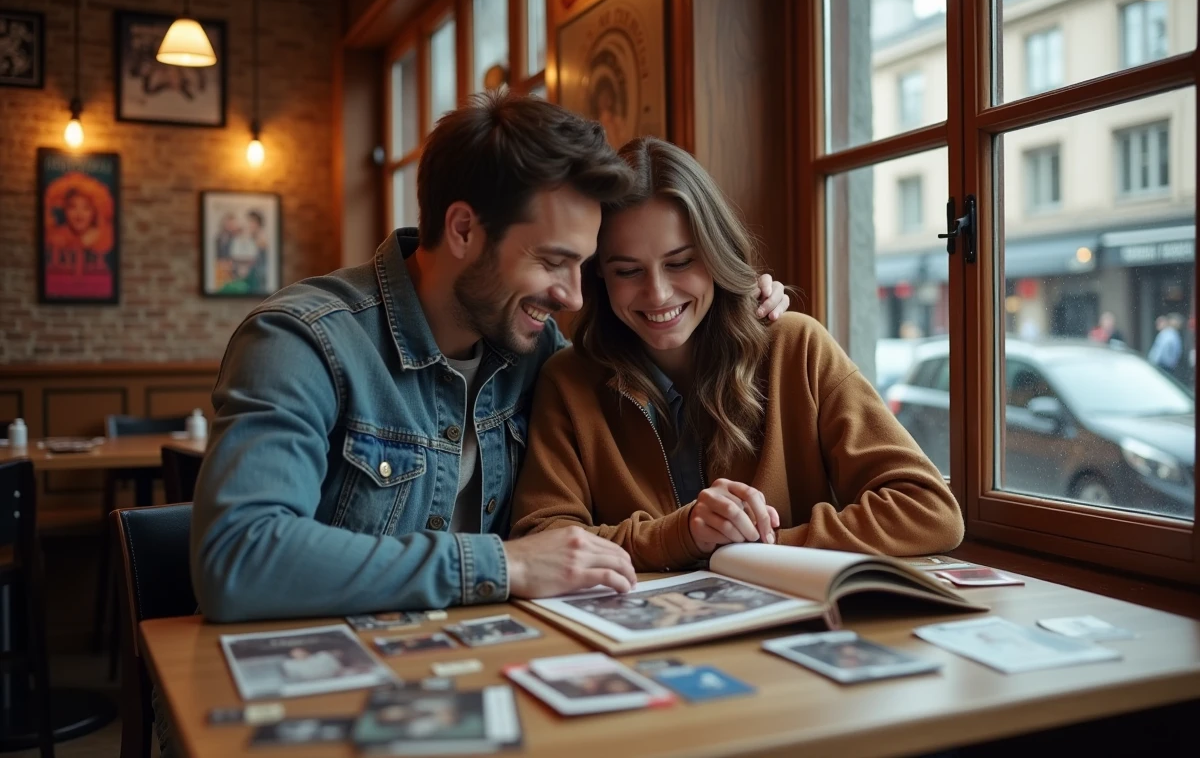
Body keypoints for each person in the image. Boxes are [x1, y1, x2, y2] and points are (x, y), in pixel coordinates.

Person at [189, 94, 790, 624]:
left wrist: (736, 308)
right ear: (462, 229)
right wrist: (504, 564)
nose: (573, 298)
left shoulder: (537, 351)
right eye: (552, 261)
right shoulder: (302, 342)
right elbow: (238, 558)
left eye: (583, 267)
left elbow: (641, 354)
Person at [509, 137, 964, 571]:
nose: (658, 293)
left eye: (680, 262)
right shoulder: (567, 381)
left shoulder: (797, 348)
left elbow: (929, 511)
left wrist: (763, 549)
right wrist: (678, 535)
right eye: (628, 271)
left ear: (715, 253)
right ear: (599, 276)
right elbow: (541, 536)